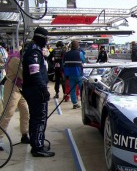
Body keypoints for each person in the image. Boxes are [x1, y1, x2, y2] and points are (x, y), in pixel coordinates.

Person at [22, 27, 55, 157]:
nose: (47, 41)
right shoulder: (34, 51)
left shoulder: (32, 48)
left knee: (35, 118)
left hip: (32, 89)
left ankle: (36, 143)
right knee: (40, 119)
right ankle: (38, 148)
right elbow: (34, 72)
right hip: (36, 90)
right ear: (42, 37)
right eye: (46, 38)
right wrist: (43, 89)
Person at [0, 49, 30, 145]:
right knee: (8, 112)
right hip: (12, 87)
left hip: (20, 88)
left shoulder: (20, 59)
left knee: (25, 111)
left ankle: (24, 134)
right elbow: (22, 75)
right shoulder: (15, 60)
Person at [63, 40, 85, 109]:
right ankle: (83, 103)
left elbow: (64, 63)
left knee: (72, 90)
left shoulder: (66, 54)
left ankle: (75, 103)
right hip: (78, 74)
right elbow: (83, 60)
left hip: (70, 74)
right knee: (82, 89)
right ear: (77, 46)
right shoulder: (80, 53)